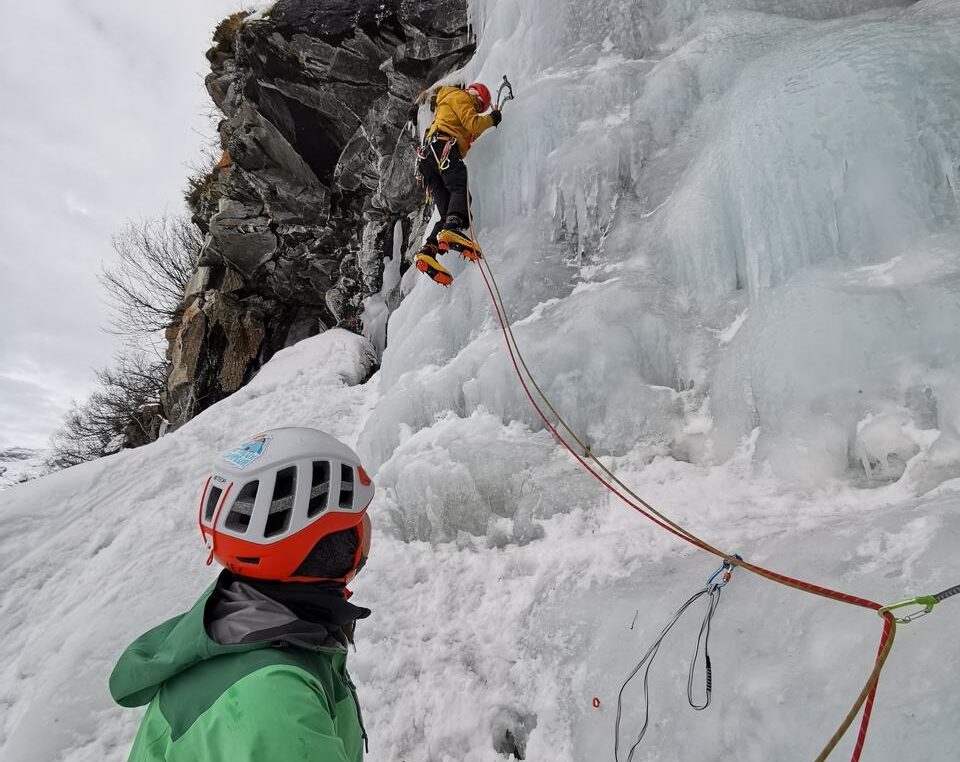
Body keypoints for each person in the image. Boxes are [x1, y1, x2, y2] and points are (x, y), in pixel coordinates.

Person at [110, 427, 375, 762]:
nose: (368, 526)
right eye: (359, 517)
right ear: (332, 546)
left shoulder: (242, 621)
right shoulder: (274, 704)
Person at [415, 81, 503, 286]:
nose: (477, 109)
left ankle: (429, 251)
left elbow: (471, 129)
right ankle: (452, 230)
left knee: (449, 210)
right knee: (460, 188)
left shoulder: (451, 106)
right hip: (442, 147)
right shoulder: (460, 96)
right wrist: (492, 118)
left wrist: (488, 121)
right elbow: (473, 123)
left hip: (429, 160)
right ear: (477, 96)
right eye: (479, 106)